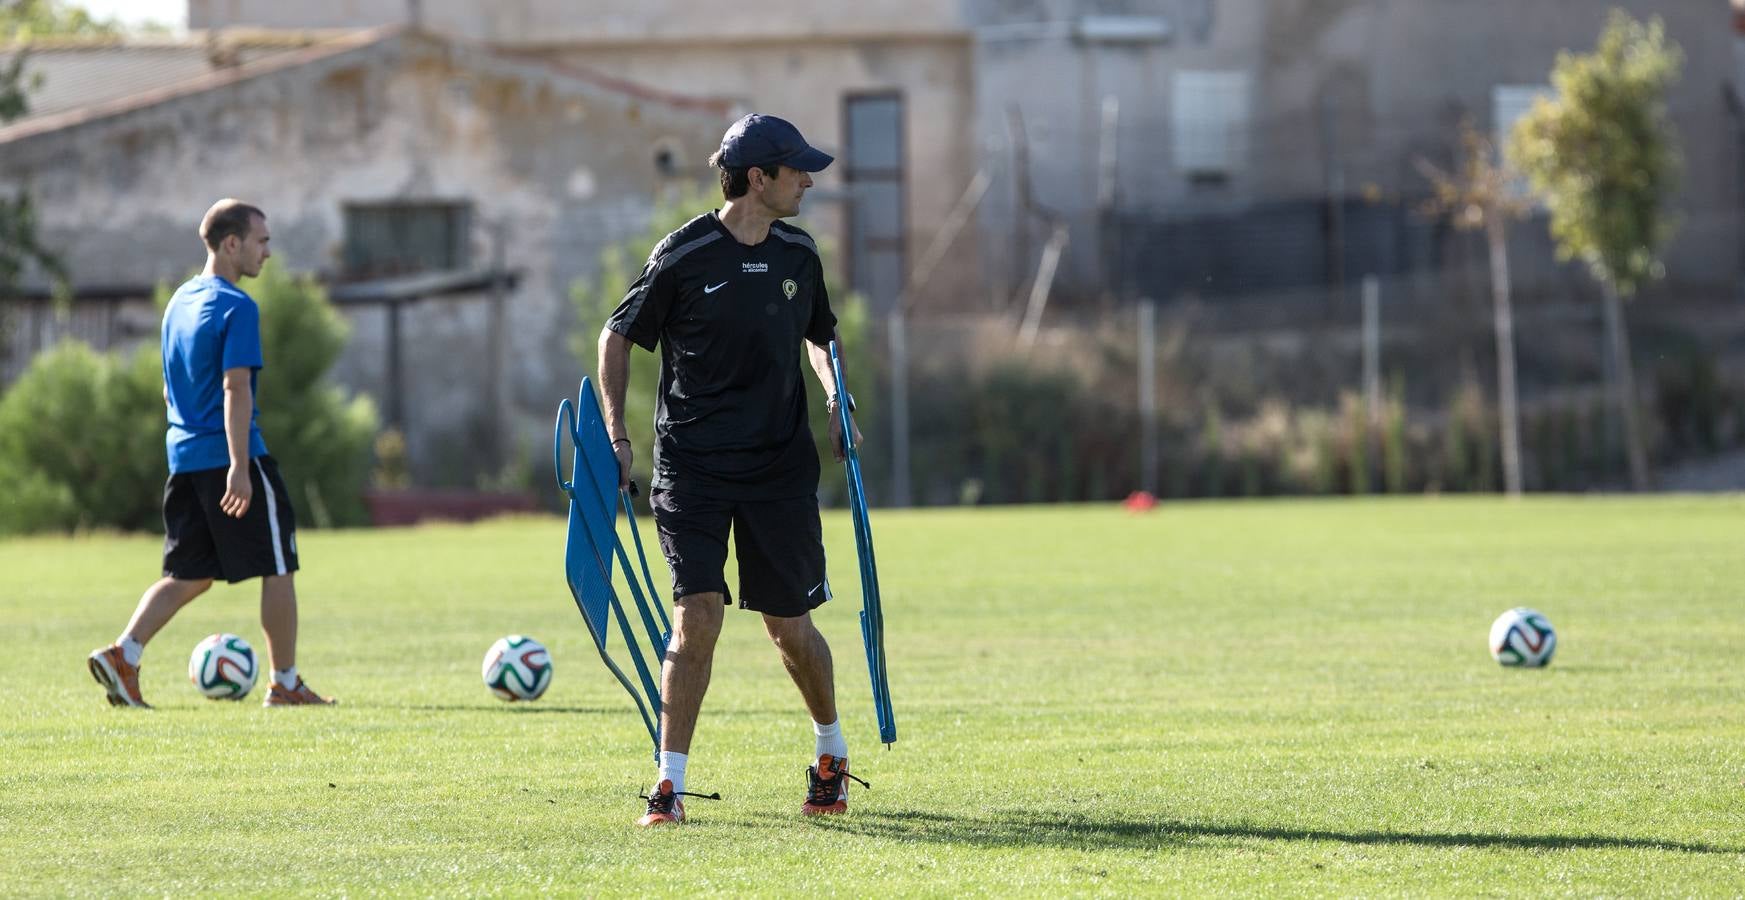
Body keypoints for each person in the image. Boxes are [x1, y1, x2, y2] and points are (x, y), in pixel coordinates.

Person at [599, 114, 866, 827]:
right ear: (758, 178)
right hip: (692, 468)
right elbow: (616, 337)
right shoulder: (683, 255)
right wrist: (615, 433)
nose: (808, 181)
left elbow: (821, 340)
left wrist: (839, 399)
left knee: (790, 628)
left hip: (779, 467)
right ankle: (667, 784)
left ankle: (831, 755)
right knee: (697, 618)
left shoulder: (797, 255)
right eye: (797, 170)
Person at [86, 199, 334, 709]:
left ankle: (123, 654)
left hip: (184, 459)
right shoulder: (236, 306)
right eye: (261, 241)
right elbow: (235, 388)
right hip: (232, 458)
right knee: (279, 563)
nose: (268, 251)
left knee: (190, 574)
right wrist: (241, 468)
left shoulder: (178, 302)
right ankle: (285, 684)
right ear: (231, 243)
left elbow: (168, 387)